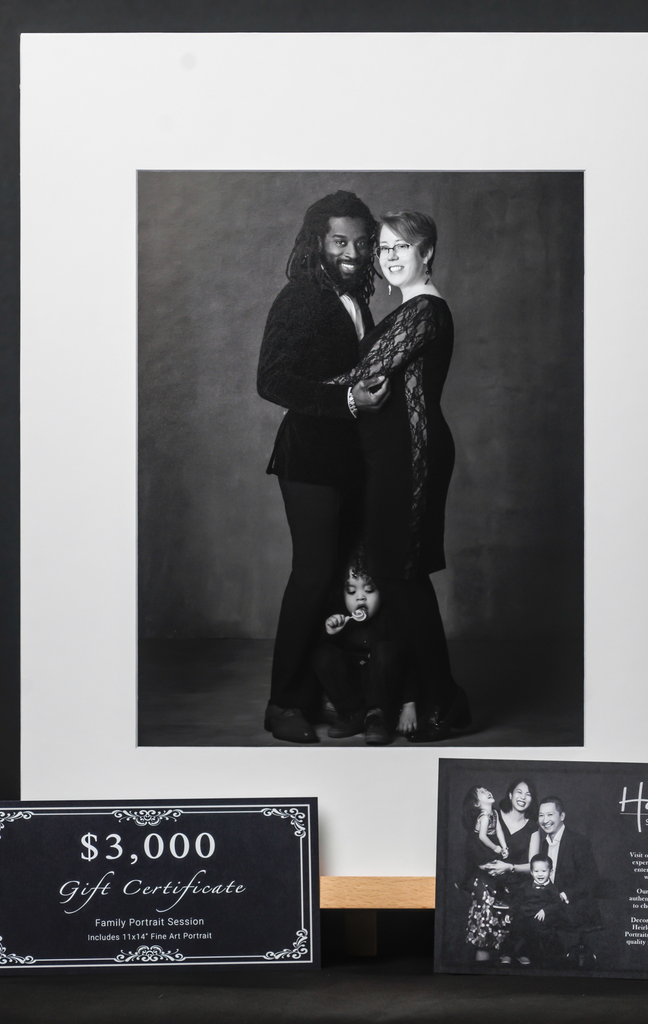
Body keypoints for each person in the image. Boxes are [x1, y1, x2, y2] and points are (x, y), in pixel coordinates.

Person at [326, 211, 467, 742]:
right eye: (383, 248)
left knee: (402, 577)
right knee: (396, 576)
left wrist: (304, 391)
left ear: (426, 252)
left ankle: (445, 701)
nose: (388, 256)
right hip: (392, 455)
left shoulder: (425, 310)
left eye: (400, 246)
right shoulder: (408, 310)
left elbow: (364, 375)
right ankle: (433, 696)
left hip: (413, 455)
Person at [257, 192, 390, 743]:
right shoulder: (299, 298)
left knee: (338, 581)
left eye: (361, 242)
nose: (353, 253)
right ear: (319, 243)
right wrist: (349, 400)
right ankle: (283, 703)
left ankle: (334, 697)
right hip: (309, 460)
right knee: (312, 577)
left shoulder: (354, 299)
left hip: (352, 460)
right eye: (340, 242)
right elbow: (271, 380)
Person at [312, 554, 412, 745]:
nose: (360, 596)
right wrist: (329, 633)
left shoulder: (390, 618)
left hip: (382, 690)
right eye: (351, 591)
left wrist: (410, 705)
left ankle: (376, 716)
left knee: (386, 650)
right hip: (351, 692)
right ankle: (352, 713)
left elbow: (409, 662)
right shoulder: (340, 618)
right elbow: (326, 663)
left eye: (369, 589)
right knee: (322, 653)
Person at [462, 779, 540, 962]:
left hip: (515, 884)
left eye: (528, 794)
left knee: (520, 912)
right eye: (519, 792)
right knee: (484, 898)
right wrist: (484, 866)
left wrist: (509, 867)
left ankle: (511, 952)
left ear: (532, 800)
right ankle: (482, 958)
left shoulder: (533, 828)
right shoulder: (493, 815)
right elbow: (474, 844)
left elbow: (534, 867)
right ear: (510, 795)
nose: (523, 797)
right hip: (487, 881)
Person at [536, 795, 599, 928]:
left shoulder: (579, 841)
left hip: (574, 910)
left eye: (550, 815)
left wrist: (564, 895)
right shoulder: (544, 844)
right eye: (541, 815)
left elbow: (590, 879)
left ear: (562, 816)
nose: (545, 820)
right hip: (551, 909)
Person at [501, 853, 564, 966]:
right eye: (536, 871)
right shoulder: (525, 886)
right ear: (531, 872)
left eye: (544, 871)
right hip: (523, 915)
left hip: (539, 917)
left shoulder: (552, 888)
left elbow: (557, 904)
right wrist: (509, 913)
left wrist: (545, 910)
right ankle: (508, 954)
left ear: (551, 872)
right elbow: (517, 901)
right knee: (515, 932)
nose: (540, 874)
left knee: (540, 934)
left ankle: (527, 954)